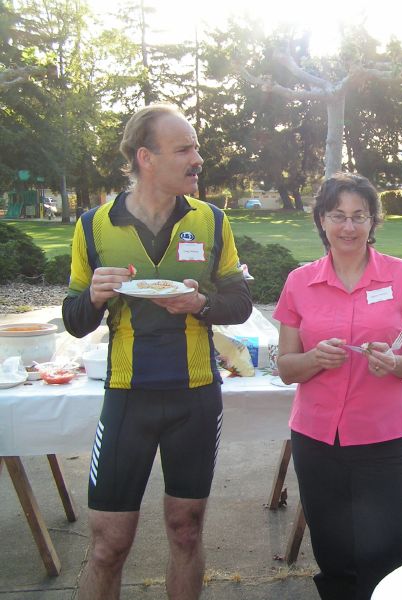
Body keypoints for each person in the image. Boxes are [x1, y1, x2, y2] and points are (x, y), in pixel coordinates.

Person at [62, 103, 252, 600]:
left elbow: (239, 303)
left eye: (196, 148)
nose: (197, 160)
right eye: (185, 149)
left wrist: (201, 303)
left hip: (195, 396)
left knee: (186, 531)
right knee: (108, 544)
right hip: (128, 396)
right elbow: (75, 320)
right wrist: (95, 296)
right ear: (146, 157)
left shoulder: (211, 220)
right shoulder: (94, 226)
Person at [273, 172, 402, 600]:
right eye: (337, 216)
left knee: (387, 551)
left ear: (373, 221)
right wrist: (313, 359)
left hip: (385, 439)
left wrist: (395, 363)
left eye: (359, 216)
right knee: (333, 551)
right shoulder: (299, 282)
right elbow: (286, 368)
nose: (348, 227)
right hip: (317, 439)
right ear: (321, 221)